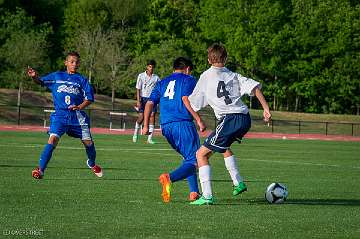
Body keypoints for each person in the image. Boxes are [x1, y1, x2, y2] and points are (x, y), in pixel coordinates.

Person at [189, 43, 271, 205]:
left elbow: (194, 102)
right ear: (225, 58)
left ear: (208, 59)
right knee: (222, 146)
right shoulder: (234, 75)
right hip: (244, 118)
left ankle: (207, 196)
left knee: (201, 155)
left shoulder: (206, 76)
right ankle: (238, 182)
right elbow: (255, 88)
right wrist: (266, 109)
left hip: (229, 119)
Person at [27, 51, 103, 179]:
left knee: (88, 143)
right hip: (60, 116)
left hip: (77, 117)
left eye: (76, 62)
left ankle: (91, 163)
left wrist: (79, 107)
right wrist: (34, 77)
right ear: (66, 62)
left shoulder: (82, 80)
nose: (74, 64)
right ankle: (40, 170)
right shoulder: (57, 76)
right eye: (72, 61)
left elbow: (89, 98)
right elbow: (40, 82)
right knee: (53, 139)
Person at [142, 57, 206, 203]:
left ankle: (194, 193)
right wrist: (198, 119)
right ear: (188, 69)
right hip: (182, 123)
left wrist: (145, 125)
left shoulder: (162, 82)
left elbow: (149, 103)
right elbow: (186, 99)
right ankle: (169, 178)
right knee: (196, 159)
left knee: (189, 158)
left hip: (166, 126)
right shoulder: (189, 80)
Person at [132, 60, 161, 144]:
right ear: (147, 67)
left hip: (152, 99)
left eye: (152, 67)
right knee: (141, 117)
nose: (151, 68)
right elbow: (138, 89)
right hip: (143, 99)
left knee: (152, 116)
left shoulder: (156, 77)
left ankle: (149, 138)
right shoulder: (141, 76)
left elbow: (160, 87)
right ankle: (135, 134)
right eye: (149, 66)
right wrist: (138, 100)